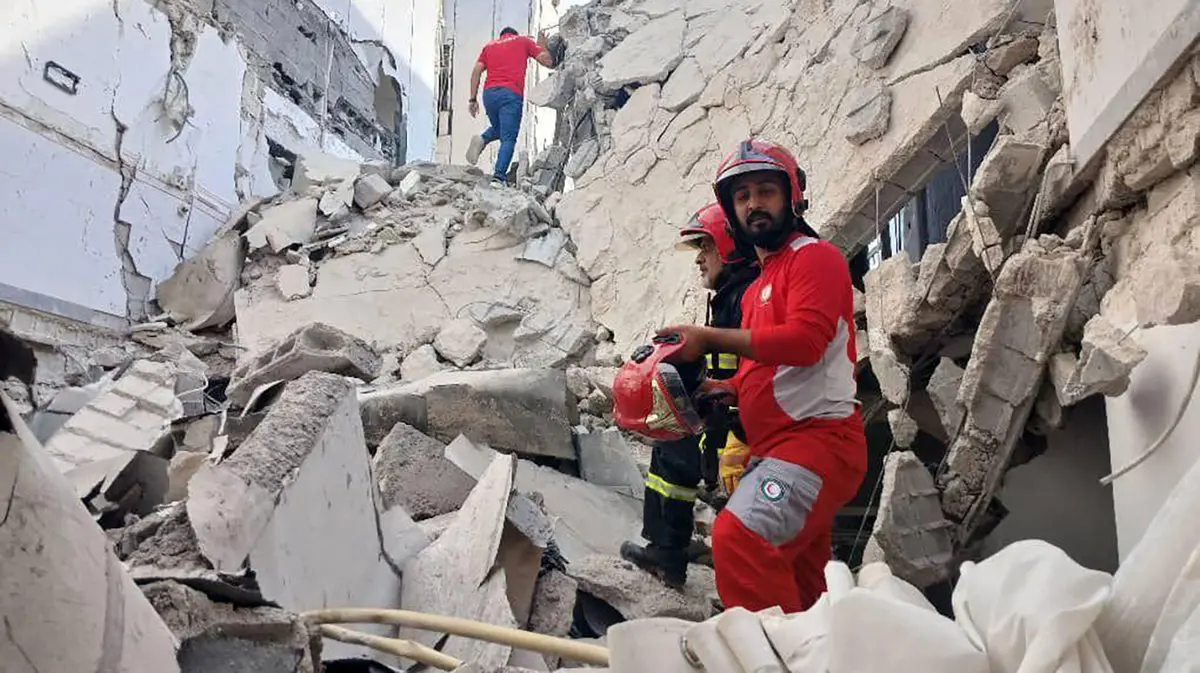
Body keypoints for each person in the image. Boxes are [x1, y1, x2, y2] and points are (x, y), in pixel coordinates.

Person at [656, 139, 867, 613]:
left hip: (817, 443)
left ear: (792, 197)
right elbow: (765, 369)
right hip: (781, 448)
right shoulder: (758, 288)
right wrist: (724, 389)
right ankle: (825, 646)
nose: (754, 203)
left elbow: (806, 343)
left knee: (740, 539)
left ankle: (768, 650)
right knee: (806, 583)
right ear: (731, 211)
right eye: (743, 195)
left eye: (766, 191)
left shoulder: (815, 258)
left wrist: (707, 338)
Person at [619, 202, 759, 589]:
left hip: (741, 429)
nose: (699, 258)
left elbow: (744, 372)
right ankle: (672, 553)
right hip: (738, 419)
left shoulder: (742, 296)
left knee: (670, 453)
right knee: (674, 452)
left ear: (729, 245)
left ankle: (667, 555)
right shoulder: (736, 293)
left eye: (706, 247)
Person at [466, 27, 555, 182]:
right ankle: (498, 178)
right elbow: (548, 61)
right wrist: (542, 45)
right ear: (515, 34)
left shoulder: (489, 46)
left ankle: (482, 139)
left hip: (489, 95)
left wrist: (472, 99)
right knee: (508, 137)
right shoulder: (523, 41)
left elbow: (476, 71)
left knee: (500, 128)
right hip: (510, 94)